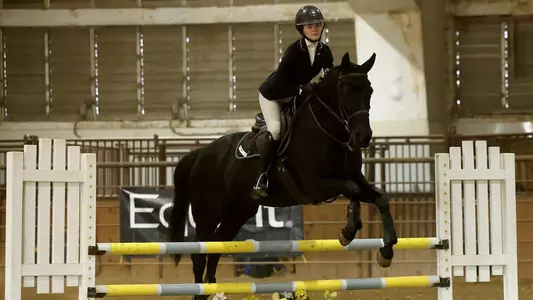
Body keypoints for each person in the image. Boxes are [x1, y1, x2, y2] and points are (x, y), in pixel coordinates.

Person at [251, 5, 334, 200]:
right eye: (309, 26)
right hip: (273, 94)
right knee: (276, 130)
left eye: (317, 25)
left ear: (322, 26)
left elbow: (328, 78)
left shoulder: (325, 51)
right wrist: (300, 89)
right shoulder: (293, 51)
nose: (314, 29)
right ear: (302, 30)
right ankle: (261, 179)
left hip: (296, 95)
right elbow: (281, 82)